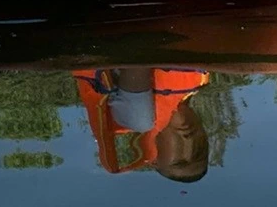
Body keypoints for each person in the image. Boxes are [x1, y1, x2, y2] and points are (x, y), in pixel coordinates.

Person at [74, 67, 211, 183]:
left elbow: (138, 63)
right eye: (199, 151)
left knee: (139, 120)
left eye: (179, 161)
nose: (189, 143)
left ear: (154, 159)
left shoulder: (136, 118)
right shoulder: (196, 81)